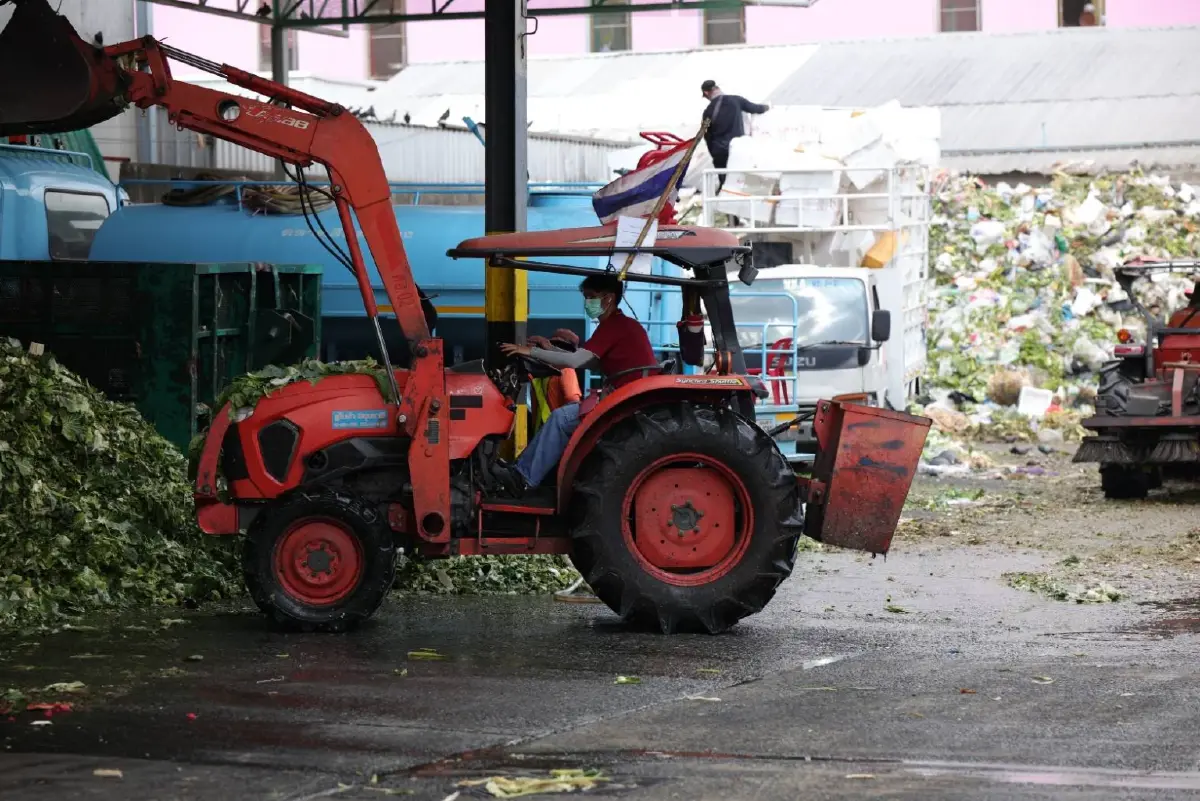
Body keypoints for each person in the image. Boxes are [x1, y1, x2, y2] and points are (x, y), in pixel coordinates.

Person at [494, 273, 657, 495]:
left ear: (608, 298)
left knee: (561, 419)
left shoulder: (615, 326)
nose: (587, 303)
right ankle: (522, 471)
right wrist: (547, 350)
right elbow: (589, 360)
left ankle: (522, 478)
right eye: (586, 297)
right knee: (562, 418)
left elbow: (575, 360)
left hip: (625, 402)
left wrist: (530, 351)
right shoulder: (620, 326)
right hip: (626, 398)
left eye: (591, 297)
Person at [700, 79, 770, 194]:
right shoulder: (736, 100)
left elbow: (706, 135)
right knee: (740, 180)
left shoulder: (708, 111)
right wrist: (767, 107)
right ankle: (739, 206)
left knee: (725, 182)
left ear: (707, 93)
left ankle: (724, 204)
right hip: (737, 149)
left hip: (719, 151)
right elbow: (756, 108)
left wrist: (714, 152)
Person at [525, 329, 582, 434]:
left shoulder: (538, 376)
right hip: (554, 433)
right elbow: (573, 404)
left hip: (543, 433)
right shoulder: (566, 370)